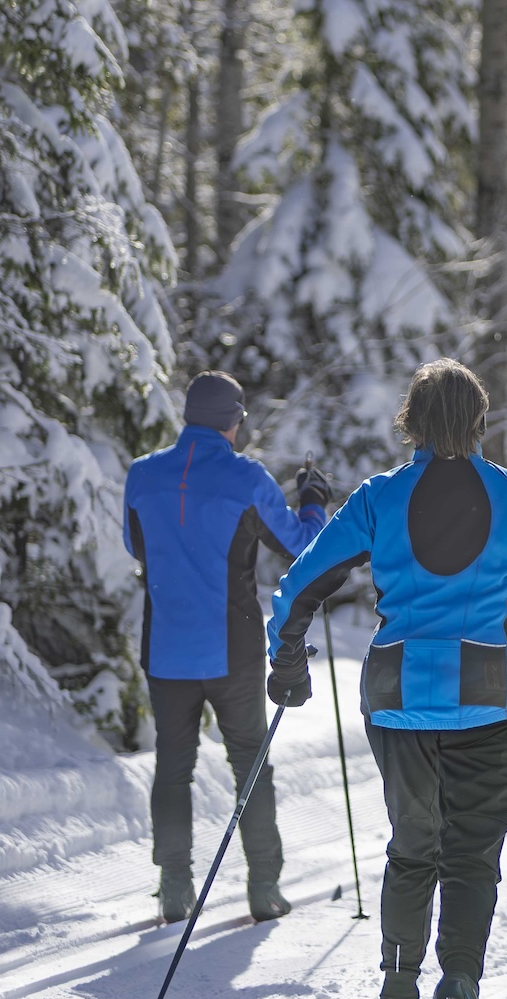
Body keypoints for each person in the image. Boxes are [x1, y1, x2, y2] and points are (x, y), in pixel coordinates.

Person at [265, 359, 507, 999]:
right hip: (492, 699)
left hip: (398, 695)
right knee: (471, 855)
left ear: (410, 422)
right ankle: (458, 988)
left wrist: (287, 660)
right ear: (479, 422)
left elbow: (302, 583)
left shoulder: (379, 498)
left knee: (413, 847)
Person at [123, 372, 331, 924]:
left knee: (173, 767)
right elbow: (302, 547)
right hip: (231, 648)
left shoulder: (142, 474)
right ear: (233, 422)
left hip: (166, 646)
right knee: (250, 762)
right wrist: (313, 501)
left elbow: (136, 545)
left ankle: (174, 887)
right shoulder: (247, 477)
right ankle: (263, 886)